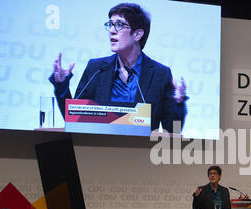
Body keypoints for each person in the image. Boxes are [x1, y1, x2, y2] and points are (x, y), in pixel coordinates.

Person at [49, 3, 187, 133]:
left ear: (137, 34)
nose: (111, 31)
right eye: (110, 24)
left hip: (140, 153)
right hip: (96, 151)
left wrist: (178, 105)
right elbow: (74, 120)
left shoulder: (160, 74)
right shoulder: (96, 69)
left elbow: (173, 130)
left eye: (119, 25)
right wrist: (62, 86)